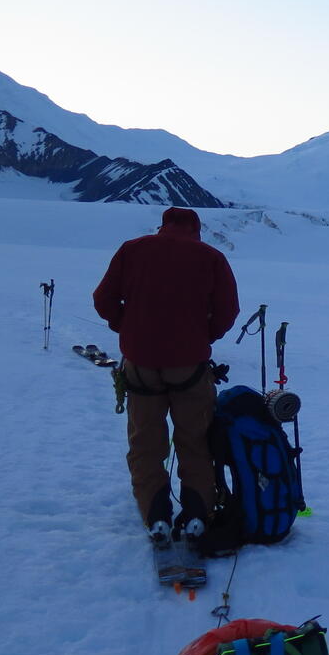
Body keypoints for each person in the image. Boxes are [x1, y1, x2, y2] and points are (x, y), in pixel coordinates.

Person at [93, 207, 240, 543]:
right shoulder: (211, 257)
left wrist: (126, 326)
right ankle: (197, 515)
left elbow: (103, 299)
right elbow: (227, 310)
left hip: (141, 364)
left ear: (163, 226)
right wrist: (204, 337)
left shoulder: (132, 250)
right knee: (196, 441)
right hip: (190, 366)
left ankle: (156, 515)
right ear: (196, 229)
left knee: (145, 442)